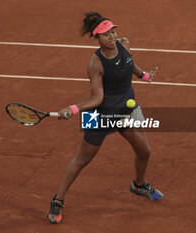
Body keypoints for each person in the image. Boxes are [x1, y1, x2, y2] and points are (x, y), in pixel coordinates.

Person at [48, 11, 163, 224]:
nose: (111, 37)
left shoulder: (124, 44)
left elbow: (130, 63)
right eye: (106, 34)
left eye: (113, 32)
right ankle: (58, 199)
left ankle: (138, 186)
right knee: (82, 159)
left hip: (126, 111)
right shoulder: (96, 64)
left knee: (144, 151)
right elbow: (96, 98)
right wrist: (72, 109)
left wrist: (143, 75)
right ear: (97, 38)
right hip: (100, 114)